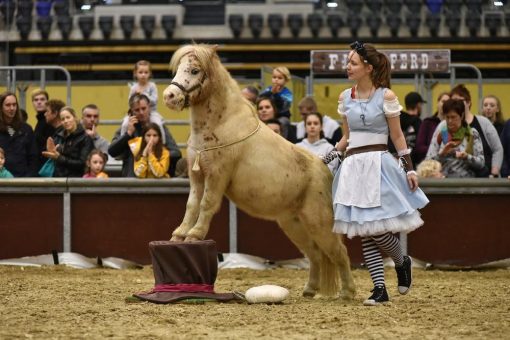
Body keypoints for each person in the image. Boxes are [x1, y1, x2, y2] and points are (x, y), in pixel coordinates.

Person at [331, 42, 429, 306]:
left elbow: (397, 136)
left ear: (368, 68)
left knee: (374, 229)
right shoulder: (344, 97)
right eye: (348, 62)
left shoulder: (386, 96)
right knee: (365, 229)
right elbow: (346, 137)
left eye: (352, 62)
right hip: (353, 166)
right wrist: (329, 156)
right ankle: (379, 288)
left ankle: (400, 261)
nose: (347, 67)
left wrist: (409, 167)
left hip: (379, 165)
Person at [109, 94, 181, 177]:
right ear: (131, 111)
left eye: (144, 108)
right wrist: (128, 134)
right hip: (133, 178)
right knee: (132, 150)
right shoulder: (127, 126)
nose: (141, 113)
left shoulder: (158, 125)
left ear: (149, 107)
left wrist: (155, 153)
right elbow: (112, 151)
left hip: (157, 178)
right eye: (137, 110)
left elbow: (176, 153)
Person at [449, 84, 503, 177]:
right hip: (454, 180)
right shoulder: (444, 125)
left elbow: (497, 149)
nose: (456, 104)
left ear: (468, 102)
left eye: (459, 101)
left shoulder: (484, 122)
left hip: (484, 178)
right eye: (453, 101)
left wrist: (494, 174)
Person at [425, 99, 485, 178]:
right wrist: (442, 154)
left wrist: (466, 157)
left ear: (462, 115)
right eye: (447, 117)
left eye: (453, 117)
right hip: (443, 183)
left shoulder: (472, 134)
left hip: (467, 184)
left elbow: (481, 163)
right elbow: (427, 162)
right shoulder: (441, 133)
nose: (450, 121)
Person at [42, 106, 94, 177]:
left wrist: (59, 157)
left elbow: (82, 163)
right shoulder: (58, 136)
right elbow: (53, 156)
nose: (65, 121)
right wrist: (50, 152)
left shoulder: (85, 138)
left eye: (68, 117)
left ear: (75, 118)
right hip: (58, 179)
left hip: (75, 180)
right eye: (63, 119)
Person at [123, 60, 165, 143]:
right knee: (125, 123)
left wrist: (144, 94)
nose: (143, 75)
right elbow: (130, 102)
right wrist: (135, 97)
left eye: (146, 72)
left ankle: (163, 143)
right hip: (136, 113)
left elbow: (155, 100)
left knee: (158, 124)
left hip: (152, 112)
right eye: (140, 72)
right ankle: (122, 142)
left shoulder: (152, 86)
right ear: (135, 73)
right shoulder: (134, 87)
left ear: (150, 74)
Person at [0, 91, 39, 177]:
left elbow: (33, 156)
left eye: (14, 105)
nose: (12, 108)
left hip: (23, 178)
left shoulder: (26, 129)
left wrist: (29, 177)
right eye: (8, 105)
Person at [389, 91, 424, 165]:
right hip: (411, 163)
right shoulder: (418, 123)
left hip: (393, 160)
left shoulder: (396, 119)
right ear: (418, 105)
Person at [415, 92, 450, 165]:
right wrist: (438, 150)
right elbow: (419, 147)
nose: (445, 104)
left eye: (448, 102)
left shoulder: (453, 125)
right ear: (438, 103)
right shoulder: (427, 122)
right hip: (430, 163)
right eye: (443, 101)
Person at [259, 66, 294, 140]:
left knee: (283, 122)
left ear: (286, 80)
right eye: (274, 77)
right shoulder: (269, 89)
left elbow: (283, 107)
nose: (276, 80)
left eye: (280, 78)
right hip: (269, 115)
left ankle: (282, 141)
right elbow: (261, 99)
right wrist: (271, 92)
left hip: (281, 116)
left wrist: (275, 94)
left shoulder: (287, 94)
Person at [31, 89, 52, 169]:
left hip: (45, 166)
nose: (39, 102)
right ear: (32, 103)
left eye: (42, 99)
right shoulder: (40, 121)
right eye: (36, 100)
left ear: (47, 102)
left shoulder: (49, 121)